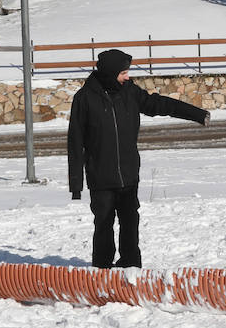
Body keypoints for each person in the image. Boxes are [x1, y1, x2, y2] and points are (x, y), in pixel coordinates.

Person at [67, 49, 209, 268]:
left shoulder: (129, 92)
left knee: (130, 224)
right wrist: (76, 184)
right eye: (123, 73)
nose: (127, 77)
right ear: (110, 72)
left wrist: (196, 114)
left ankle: (131, 268)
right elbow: (75, 142)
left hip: (129, 175)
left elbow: (160, 104)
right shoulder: (84, 99)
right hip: (101, 178)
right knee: (103, 226)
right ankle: (102, 271)